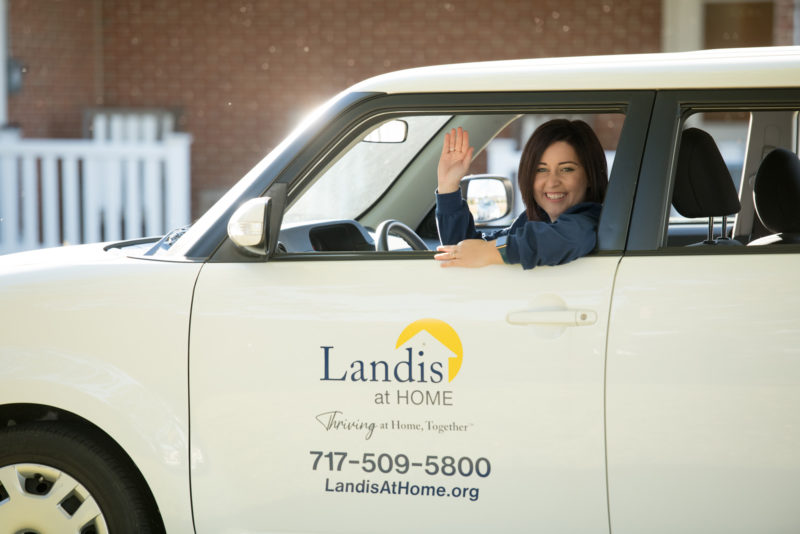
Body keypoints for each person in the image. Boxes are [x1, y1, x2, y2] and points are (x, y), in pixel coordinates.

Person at [434, 119, 608, 269]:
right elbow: (464, 252)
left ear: (590, 176)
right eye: (541, 169)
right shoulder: (535, 219)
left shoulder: (591, 219)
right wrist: (448, 186)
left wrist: (490, 251)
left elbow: (563, 239)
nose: (552, 182)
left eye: (566, 169)